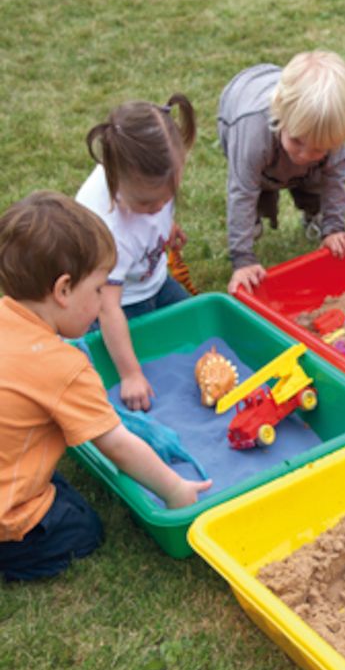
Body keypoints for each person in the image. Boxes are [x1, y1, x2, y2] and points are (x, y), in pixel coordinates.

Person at [0, 192, 212, 582]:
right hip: (7, 520)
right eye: (98, 290)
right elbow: (117, 445)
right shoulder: (62, 367)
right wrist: (175, 491)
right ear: (63, 290)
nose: (103, 302)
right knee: (83, 527)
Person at [77, 94, 197, 412]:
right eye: (146, 205)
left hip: (152, 280)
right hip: (114, 304)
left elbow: (157, 206)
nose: (157, 208)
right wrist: (130, 375)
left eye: (167, 198)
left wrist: (165, 227)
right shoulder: (108, 228)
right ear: (117, 179)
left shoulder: (154, 181)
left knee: (197, 325)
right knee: (121, 367)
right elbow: (107, 310)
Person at [217, 50, 345, 295]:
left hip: (280, 112)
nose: (304, 154)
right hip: (240, 102)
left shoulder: (329, 133)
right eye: (297, 141)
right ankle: (253, 224)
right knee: (257, 187)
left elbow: (334, 179)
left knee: (312, 176)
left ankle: (315, 216)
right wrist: (243, 259)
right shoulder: (251, 133)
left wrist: (334, 227)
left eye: (319, 148)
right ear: (280, 117)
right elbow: (241, 192)